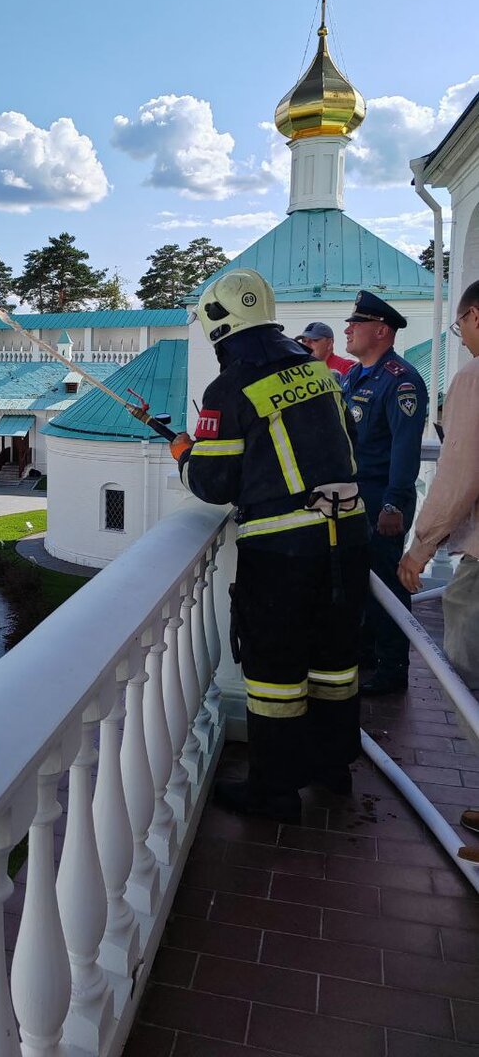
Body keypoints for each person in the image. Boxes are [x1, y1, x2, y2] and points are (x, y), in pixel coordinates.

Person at [174, 269, 370, 822]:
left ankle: (274, 792)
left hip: (282, 556)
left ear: (220, 327)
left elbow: (215, 485)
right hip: (345, 541)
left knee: (275, 675)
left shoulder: (230, 387)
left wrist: (185, 453)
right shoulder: (319, 371)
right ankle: (334, 768)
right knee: (335, 664)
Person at [342, 291, 428, 696]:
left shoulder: (402, 380)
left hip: (382, 499)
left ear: (380, 330)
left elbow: (404, 448)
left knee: (387, 584)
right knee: (359, 581)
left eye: (355, 324)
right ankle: (366, 652)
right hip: (356, 496)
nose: (347, 329)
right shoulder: (354, 377)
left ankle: (393, 668)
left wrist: (393, 503)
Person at [398, 279, 479, 691]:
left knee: (468, 681)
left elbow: (458, 476)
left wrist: (420, 548)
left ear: (475, 316)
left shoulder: (474, 377)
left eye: (460, 324)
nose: (462, 339)